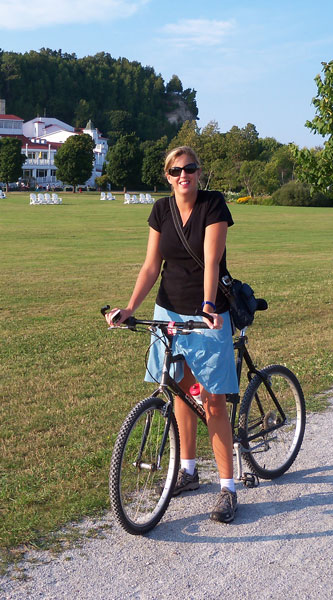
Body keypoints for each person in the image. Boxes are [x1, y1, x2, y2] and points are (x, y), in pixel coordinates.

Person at [105, 146, 239, 523]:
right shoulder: (161, 211)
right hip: (168, 310)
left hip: (206, 313)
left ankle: (228, 488)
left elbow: (211, 261)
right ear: (167, 175)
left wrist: (209, 305)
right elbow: (151, 266)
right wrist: (130, 308)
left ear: (199, 172)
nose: (184, 175)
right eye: (177, 170)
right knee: (179, 388)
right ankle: (189, 471)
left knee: (212, 400)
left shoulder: (214, 206)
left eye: (191, 169)